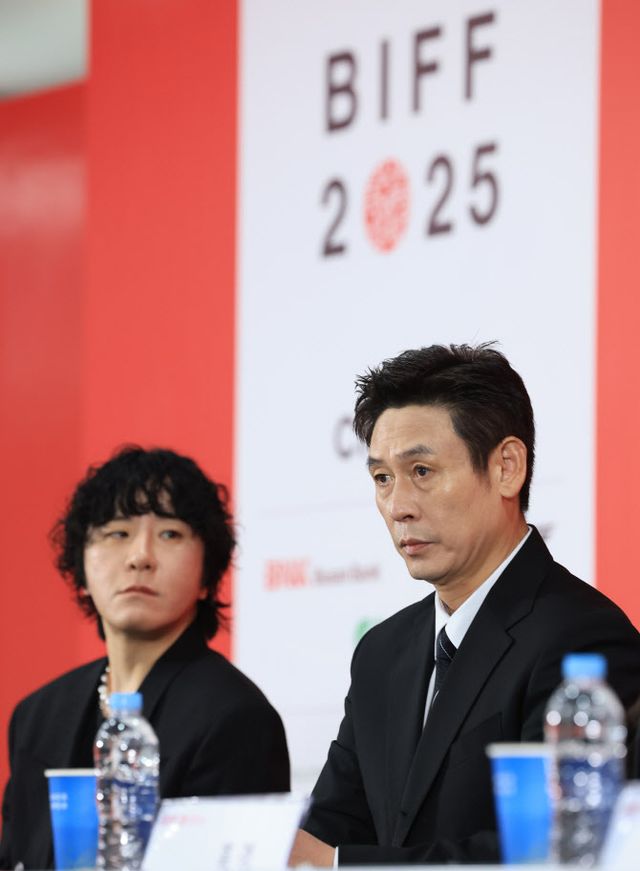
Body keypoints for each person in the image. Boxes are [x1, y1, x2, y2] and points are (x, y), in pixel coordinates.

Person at [290, 343, 640, 866]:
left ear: (506, 468)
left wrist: (337, 864)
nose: (398, 506)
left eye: (422, 471)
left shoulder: (582, 638)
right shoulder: (381, 652)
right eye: (382, 478)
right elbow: (328, 829)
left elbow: (555, 851)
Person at [0, 446, 290, 870]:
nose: (140, 557)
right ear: (81, 570)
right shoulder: (37, 716)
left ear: (208, 576)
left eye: (170, 534)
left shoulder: (235, 717)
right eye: (117, 533)